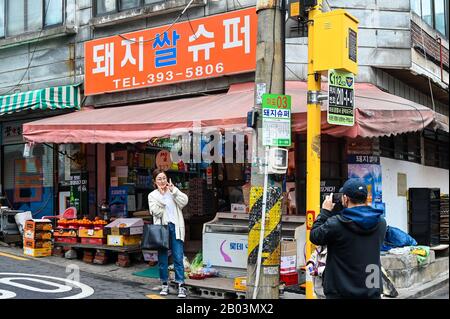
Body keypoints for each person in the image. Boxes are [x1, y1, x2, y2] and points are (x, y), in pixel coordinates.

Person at [309, 178, 387, 299]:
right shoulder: (381, 223)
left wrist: (325, 212)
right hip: (371, 289)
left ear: (345, 199)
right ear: (366, 197)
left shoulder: (336, 224)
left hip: (340, 291)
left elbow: (315, 236)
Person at [148, 169, 189, 298]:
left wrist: (174, 191)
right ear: (155, 181)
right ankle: (164, 284)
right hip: (162, 229)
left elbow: (184, 201)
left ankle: (181, 285)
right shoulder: (152, 195)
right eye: (159, 179)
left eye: (164, 178)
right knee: (163, 259)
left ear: (167, 179)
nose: (162, 181)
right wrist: (162, 196)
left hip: (176, 227)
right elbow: (155, 211)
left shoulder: (173, 192)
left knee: (178, 257)